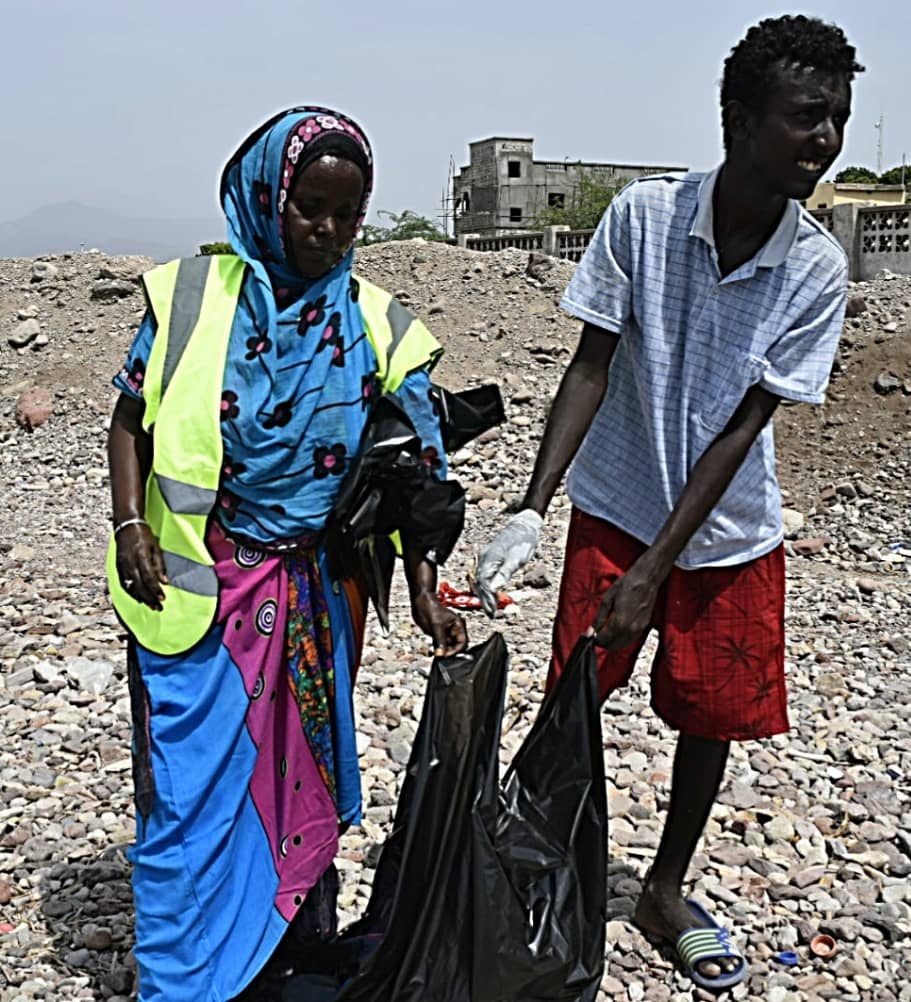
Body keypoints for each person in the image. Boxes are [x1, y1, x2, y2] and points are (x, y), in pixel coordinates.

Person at [475, 15, 861, 990]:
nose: (824, 139)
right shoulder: (644, 219)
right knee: (576, 686)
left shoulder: (817, 269)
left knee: (711, 715)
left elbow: (744, 427)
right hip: (616, 503)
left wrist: (656, 570)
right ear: (738, 120)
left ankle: (664, 887)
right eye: (805, 116)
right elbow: (590, 366)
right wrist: (532, 506)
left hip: (727, 532)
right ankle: (529, 865)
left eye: (836, 119)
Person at [106, 106, 467, 1002]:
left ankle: (282, 948)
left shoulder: (375, 325)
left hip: (316, 593)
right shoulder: (194, 301)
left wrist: (426, 587)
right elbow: (129, 418)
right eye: (311, 208)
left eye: (348, 214)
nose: (328, 230)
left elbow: (417, 475)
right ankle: (186, 975)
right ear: (269, 198)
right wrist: (129, 524)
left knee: (294, 774)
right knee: (189, 788)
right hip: (195, 590)